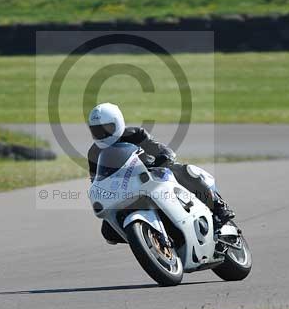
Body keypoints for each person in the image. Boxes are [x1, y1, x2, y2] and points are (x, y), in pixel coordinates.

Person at [86, 102, 235, 244]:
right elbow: (97, 180)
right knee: (108, 231)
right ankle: (146, 237)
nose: (102, 134)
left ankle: (219, 207)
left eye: (106, 128)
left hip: (152, 176)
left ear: (118, 123)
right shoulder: (94, 153)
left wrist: (165, 157)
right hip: (125, 190)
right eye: (97, 130)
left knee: (183, 170)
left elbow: (159, 148)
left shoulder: (135, 134)